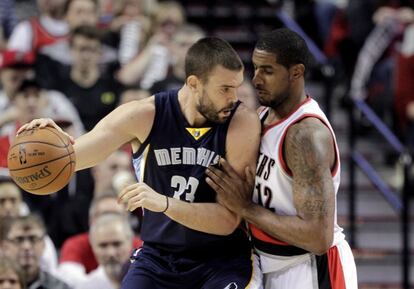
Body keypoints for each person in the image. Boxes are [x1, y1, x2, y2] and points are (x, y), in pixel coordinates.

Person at [18, 37, 262, 289]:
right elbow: (74, 157)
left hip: (222, 259)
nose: (234, 98)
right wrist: (51, 149)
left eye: (236, 87)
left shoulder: (241, 123)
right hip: (159, 257)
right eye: (224, 89)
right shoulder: (144, 115)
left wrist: (165, 203)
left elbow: (227, 220)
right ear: (194, 83)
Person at [206, 28, 358, 289]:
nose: (256, 80)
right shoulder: (264, 115)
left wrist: (245, 208)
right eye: (255, 68)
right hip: (270, 264)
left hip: (311, 268)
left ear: (296, 72)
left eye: (267, 70)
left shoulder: (305, 135)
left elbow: (318, 238)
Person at [1, 215, 70, 289]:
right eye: (19, 239)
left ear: (43, 245)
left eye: (33, 239)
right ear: (5, 247)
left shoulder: (59, 287)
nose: (26, 246)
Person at [76, 213, 135, 289]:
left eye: (117, 244)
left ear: (130, 242)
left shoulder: (149, 280)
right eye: (103, 246)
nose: (111, 253)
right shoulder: (86, 286)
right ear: (92, 247)